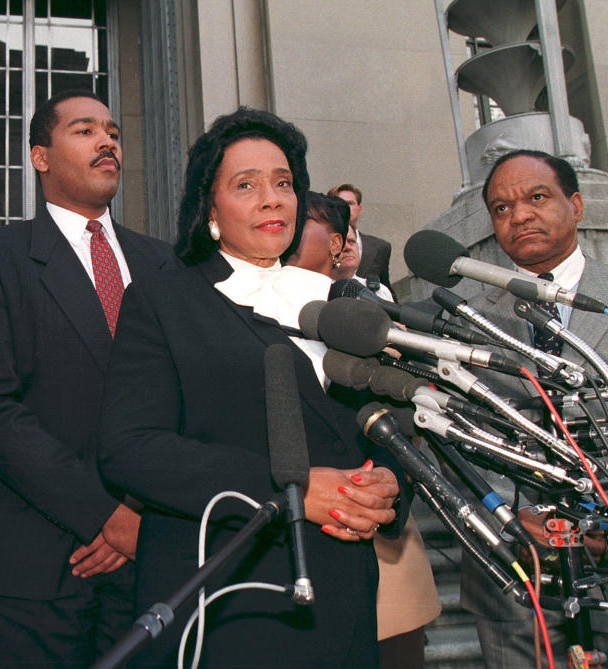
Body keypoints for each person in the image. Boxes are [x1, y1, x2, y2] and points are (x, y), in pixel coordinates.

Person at [98, 107, 410, 667]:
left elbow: (385, 427)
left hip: (343, 595)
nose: (272, 199)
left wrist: (390, 481)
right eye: (247, 185)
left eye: (284, 183)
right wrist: (284, 489)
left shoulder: (343, 306)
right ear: (209, 209)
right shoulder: (164, 300)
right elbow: (130, 449)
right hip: (230, 593)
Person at [0, 89, 177, 667]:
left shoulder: (164, 263)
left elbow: (185, 397)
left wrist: (139, 513)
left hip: (152, 556)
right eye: (85, 130)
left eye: (113, 131)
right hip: (41, 565)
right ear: (40, 156)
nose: (107, 141)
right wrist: (104, 516)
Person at [459, 149, 608, 667]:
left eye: (537, 197)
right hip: (515, 578)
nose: (520, 215)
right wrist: (510, 517)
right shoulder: (460, 314)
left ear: (575, 205)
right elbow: (452, 439)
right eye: (501, 208)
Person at [287, 191, 441, 668]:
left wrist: (386, 487)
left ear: (337, 243)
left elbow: (406, 411)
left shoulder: (372, 320)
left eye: (301, 220)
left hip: (378, 535)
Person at [328, 182, 393, 293]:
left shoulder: (381, 247)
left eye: (350, 203)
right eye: (340, 203)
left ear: (359, 209)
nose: (347, 247)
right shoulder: (320, 240)